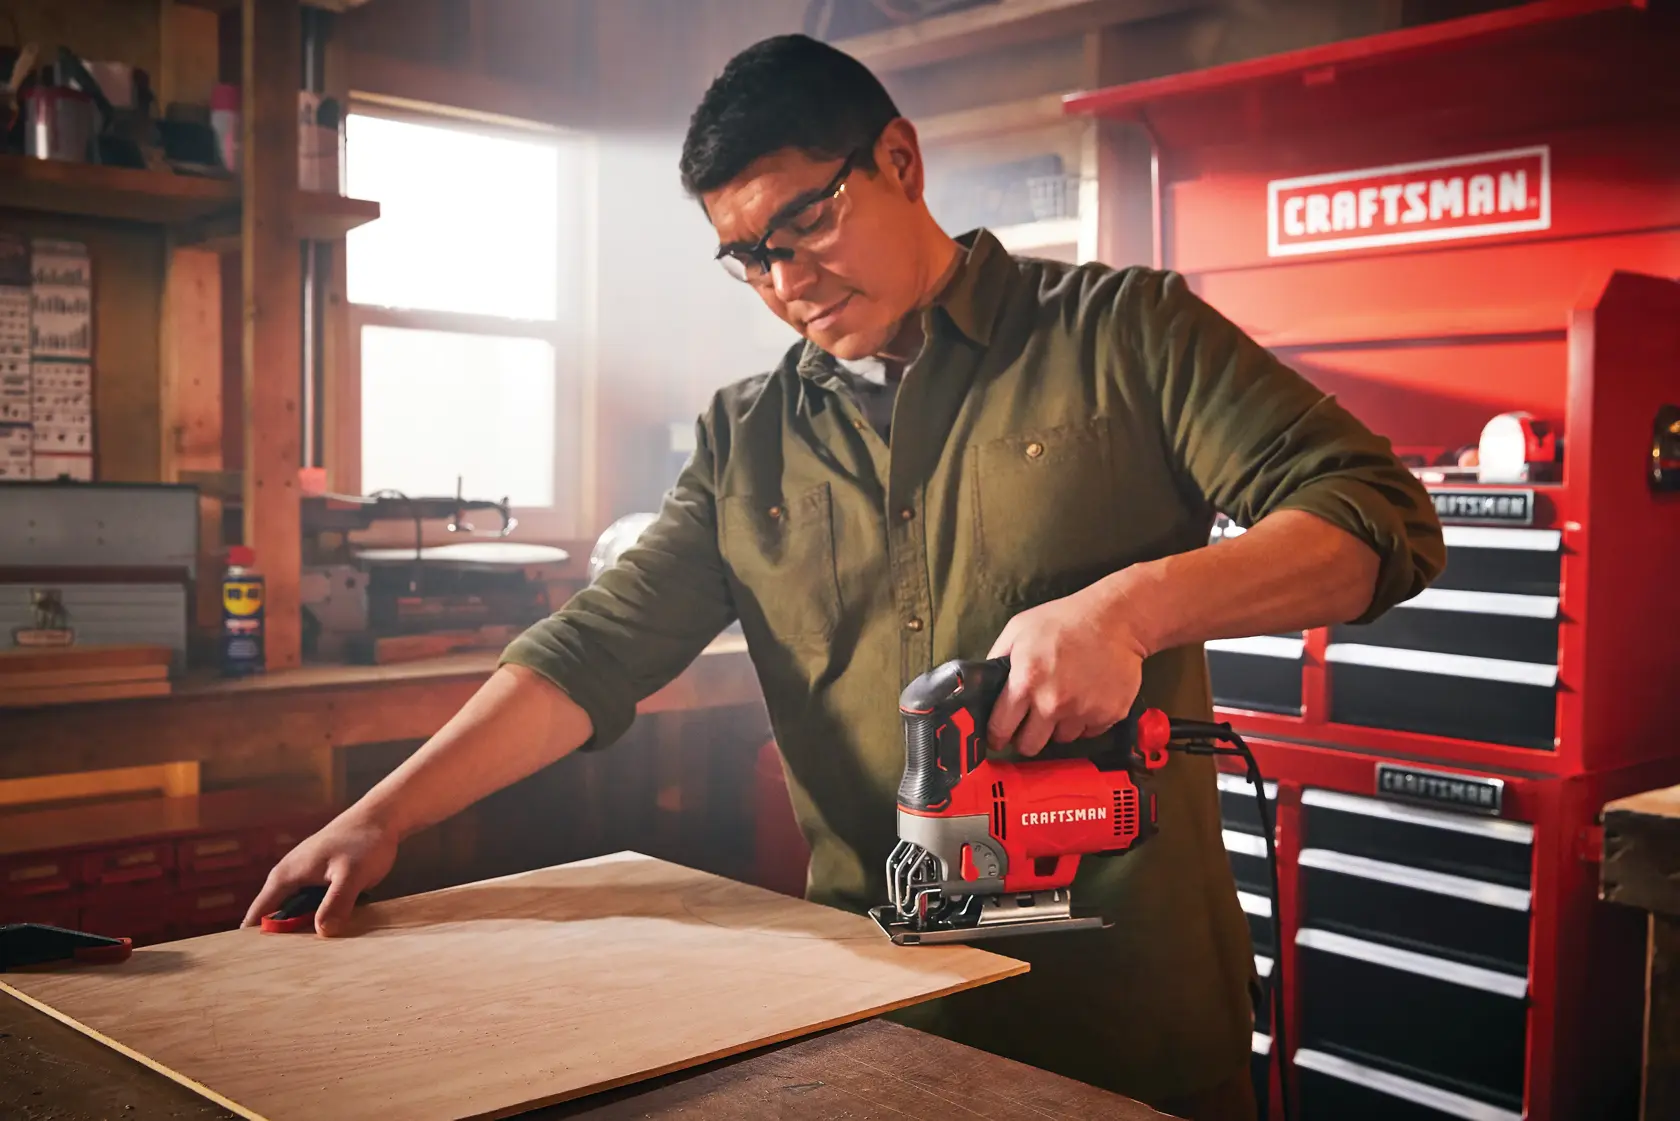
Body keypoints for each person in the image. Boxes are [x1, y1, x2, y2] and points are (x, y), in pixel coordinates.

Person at [246, 33, 1445, 1121]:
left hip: (1126, 1023)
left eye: (807, 223)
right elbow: (595, 645)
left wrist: (1127, 607)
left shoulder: (1125, 335)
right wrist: (380, 813)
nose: (787, 281)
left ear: (900, 160)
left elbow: (1377, 518)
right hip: (875, 1028)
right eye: (750, 257)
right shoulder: (748, 439)